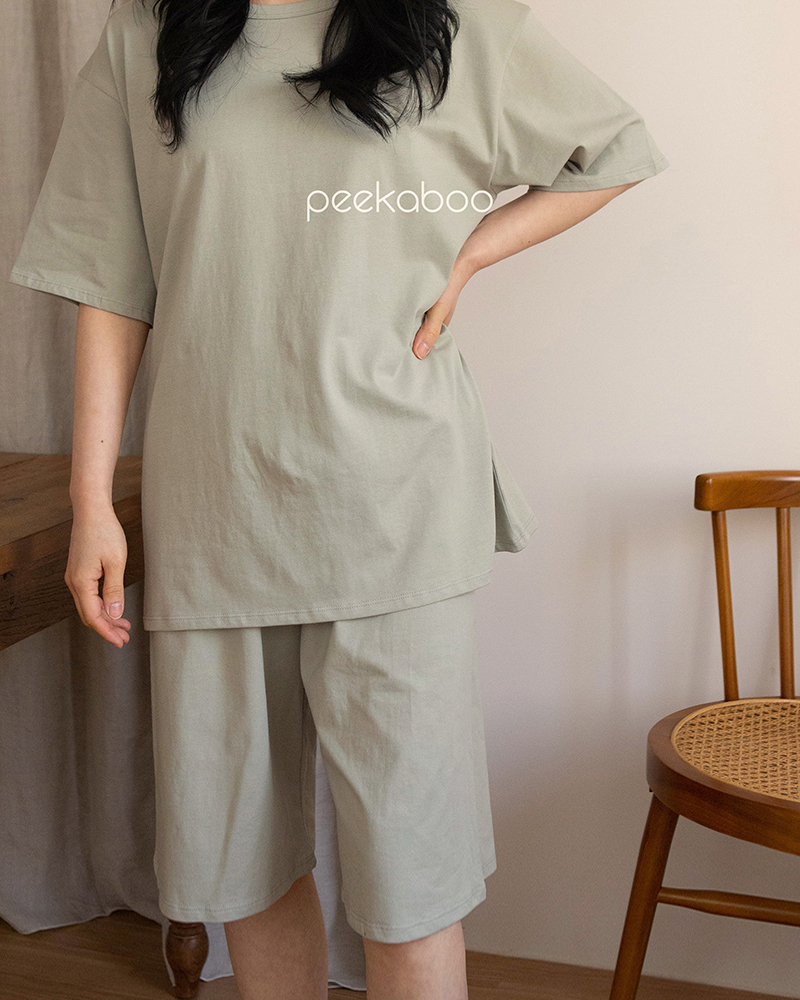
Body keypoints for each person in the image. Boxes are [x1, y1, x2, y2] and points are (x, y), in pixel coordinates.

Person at [9, 0, 668, 996]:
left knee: (410, 883)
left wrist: (471, 252)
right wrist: (90, 498)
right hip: (215, 505)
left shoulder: (450, 23)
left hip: (395, 506)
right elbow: (110, 278)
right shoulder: (150, 30)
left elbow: (610, 149)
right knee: (242, 872)